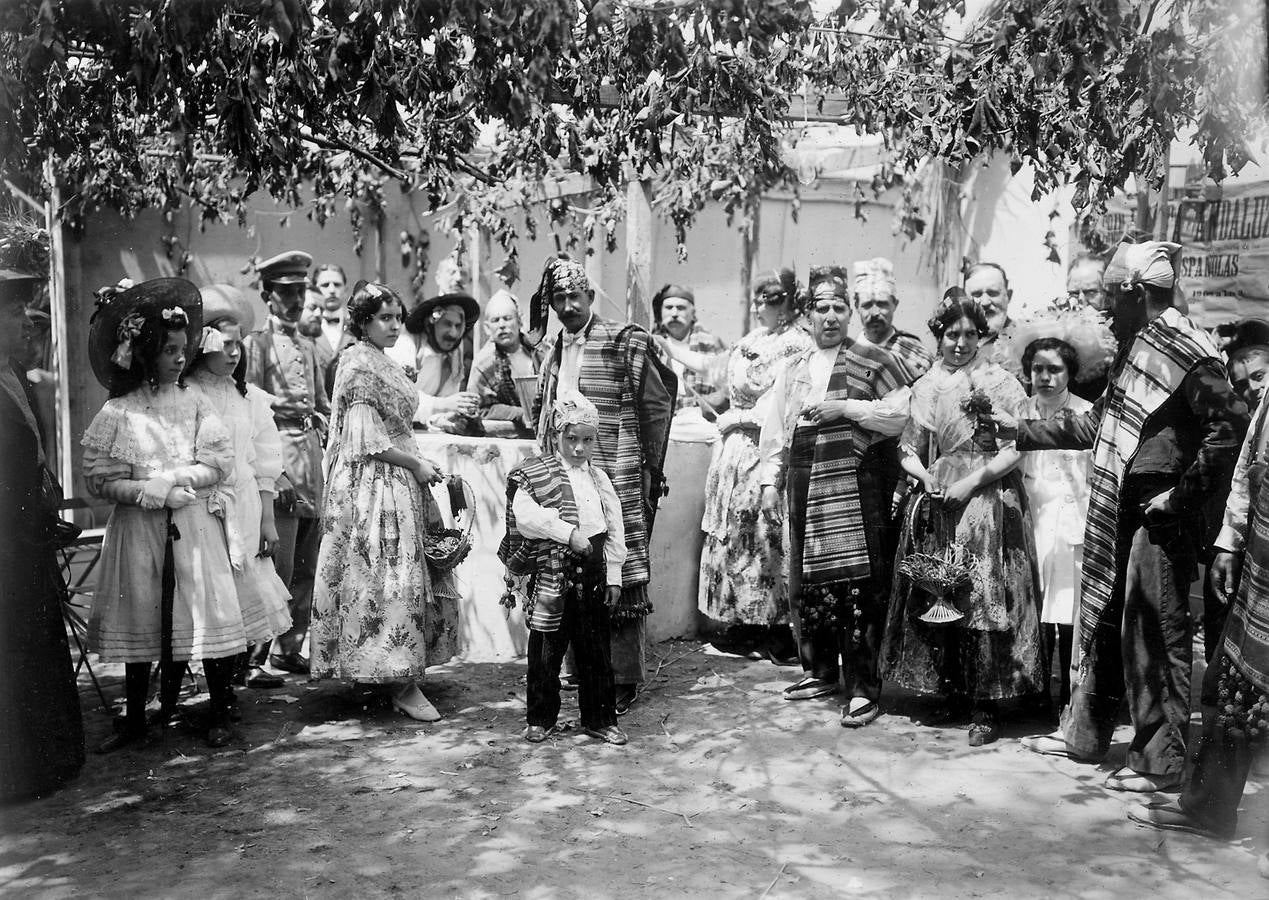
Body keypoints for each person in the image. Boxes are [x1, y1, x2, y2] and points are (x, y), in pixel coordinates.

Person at [1014, 241, 1247, 792]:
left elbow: (1233, 424)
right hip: (1122, 504)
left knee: (1155, 628)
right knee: (1107, 621)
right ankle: (1085, 738)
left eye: (1108, 297)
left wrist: (1181, 495)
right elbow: (1097, 426)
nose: (1102, 311)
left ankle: (1159, 763)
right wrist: (1016, 432)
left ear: (1136, 293)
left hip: (1158, 518)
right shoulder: (1139, 344)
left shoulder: (1188, 350)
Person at [82, 278, 245, 750]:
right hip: (138, 530)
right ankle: (135, 718)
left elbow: (218, 463)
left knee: (203, 611)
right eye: (170, 350)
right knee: (142, 612)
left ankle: (219, 710)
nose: (180, 358)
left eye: (183, 349)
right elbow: (101, 482)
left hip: (191, 525)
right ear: (147, 352)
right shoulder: (120, 412)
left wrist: (175, 480)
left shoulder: (196, 401)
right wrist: (144, 491)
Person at [881, 294, 1046, 746]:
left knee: (984, 593)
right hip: (941, 495)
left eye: (969, 334)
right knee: (942, 587)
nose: (960, 342)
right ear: (939, 335)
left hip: (988, 495)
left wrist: (971, 483)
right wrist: (923, 478)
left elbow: (1017, 447)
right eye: (951, 334)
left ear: (982, 335)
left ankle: (986, 704)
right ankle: (949, 690)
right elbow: (909, 447)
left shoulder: (1001, 381)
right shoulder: (926, 384)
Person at [1128, 375, 1269, 875]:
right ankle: (1208, 808)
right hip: (1261, 558)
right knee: (1232, 687)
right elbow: (1250, 460)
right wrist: (1230, 539)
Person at [758, 267, 911, 726]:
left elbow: (900, 417)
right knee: (808, 575)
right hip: (805, 473)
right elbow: (776, 430)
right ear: (806, 316)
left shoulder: (874, 360)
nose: (830, 316)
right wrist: (771, 480)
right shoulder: (795, 368)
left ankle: (864, 687)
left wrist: (845, 408)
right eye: (820, 308)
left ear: (850, 313)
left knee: (859, 580)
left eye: (839, 307)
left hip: (857, 478)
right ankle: (821, 670)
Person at [530, 254, 675, 714]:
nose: (568, 305)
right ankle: (583, 669)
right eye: (559, 298)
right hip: (564, 470)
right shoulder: (551, 350)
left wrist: (649, 464)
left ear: (591, 296)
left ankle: (623, 678)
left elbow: (658, 400)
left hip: (616, 466)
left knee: (619, 564)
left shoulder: (624, 341)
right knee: (572, 561)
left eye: (576, 295)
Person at [310, 281, 459, 721]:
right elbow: (366, 441)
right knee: (384, 574)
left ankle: (391, 672)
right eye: (384, 318)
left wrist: (415, 461)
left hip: (395, 477)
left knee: (394, 575)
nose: (394, 326)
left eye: (397, 317)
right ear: (363, 322)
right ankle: (396, 678)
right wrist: (414, 464)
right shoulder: (357, 364)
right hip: (373, 483)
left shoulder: (381, 360)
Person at [0, 263, 84, 801]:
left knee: (35, 644)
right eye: (12, 314)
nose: (25, 323)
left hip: (25, 542)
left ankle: (44, 765)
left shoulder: (17, 381)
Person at [501, 392, 629, 745]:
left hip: (592, 569)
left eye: (587, 440)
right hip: (552, 571)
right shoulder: (538, 475)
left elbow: (614, 529)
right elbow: (526, 517)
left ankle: (599, 718)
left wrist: (614, 575)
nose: (578, 448)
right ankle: (540, 718)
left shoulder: (600, 480)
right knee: (545, 647)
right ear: (555, 435)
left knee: (595, 647)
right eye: (570, 439)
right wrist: (567, 533)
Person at [697, 268, 813, 655]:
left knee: (766, 535)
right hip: (736, 451)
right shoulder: (754, 339)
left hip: (766, 448)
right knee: (738, 535)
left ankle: (777, 630)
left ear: (786, 302)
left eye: (767, 299)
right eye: (757, 298)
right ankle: (744, 622)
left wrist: (734, 418)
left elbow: (778, 406)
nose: (758, 306)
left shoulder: (797, 343)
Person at [188, 284, 293, 692]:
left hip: (246, 505)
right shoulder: (188, 393)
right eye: (225, 344)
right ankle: (214, 693)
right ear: (205, 344)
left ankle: (232, 685)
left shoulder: (248, 396)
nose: (235, 353)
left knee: (245, 596)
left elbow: (264, 462)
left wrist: (268, 521)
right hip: (203, 507)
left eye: (239, 345)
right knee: (215, 601)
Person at [244, 250, 330, 677]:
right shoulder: (255, 345)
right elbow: (250, 408)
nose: (295, 301)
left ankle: (288, 647)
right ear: (268, 296)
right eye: (286, 293)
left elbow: (322, 402)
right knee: (276, 559)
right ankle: (254, 656)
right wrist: (270, 471)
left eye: (300, 291)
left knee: (307, 562)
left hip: (311, 457)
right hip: (276, 456)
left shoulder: (311, 344)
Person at [1019, 337, 1093, 712]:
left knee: (1067, 613)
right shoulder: (1017, 410)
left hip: (1070, 521)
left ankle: (1068, 696)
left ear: (1070, 373)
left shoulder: (1085, 413)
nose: (1045, 377)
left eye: (1055, 370)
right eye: (1038, 369)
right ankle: (1033, 697)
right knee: (1033, 609)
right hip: (1030, 521)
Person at [390, 291, 481, 431]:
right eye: (447, 324)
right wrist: (444, 404)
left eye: (458, 326)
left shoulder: (454, 356)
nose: (453, 333)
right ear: (431, 323)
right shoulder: (406, 342)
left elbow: (443, 405)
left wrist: (445, 420)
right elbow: (399, 400)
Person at [466, 288, 543, 437]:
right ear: (487, 328)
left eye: (507, 318)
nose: (502, 325)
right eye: (495, 320)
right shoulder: (484, 363)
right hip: (507, 440)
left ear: (519, 320)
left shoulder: (540, 351)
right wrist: (518, 413)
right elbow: (480, 408)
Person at [852, 257, 934, 382]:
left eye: (882, 304)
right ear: (857, 306)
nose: (874, 313)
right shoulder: (847, 356)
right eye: (867, 305)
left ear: (895, 304)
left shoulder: (918, 355)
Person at [649, 284, 728, 415]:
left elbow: (727, 389)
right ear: (660, 312)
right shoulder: (653, 344)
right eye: (669, 308)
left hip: (703, 422)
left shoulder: (712, 343)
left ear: (692, 313)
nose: (674, 314)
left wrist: (700, 409)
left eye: (681, 308)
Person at [964, 262, 1021, 376]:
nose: (985, 302)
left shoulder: (1023, 341)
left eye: (993, 293)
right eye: (977, 294)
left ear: (1008, 296)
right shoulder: (958, 342)